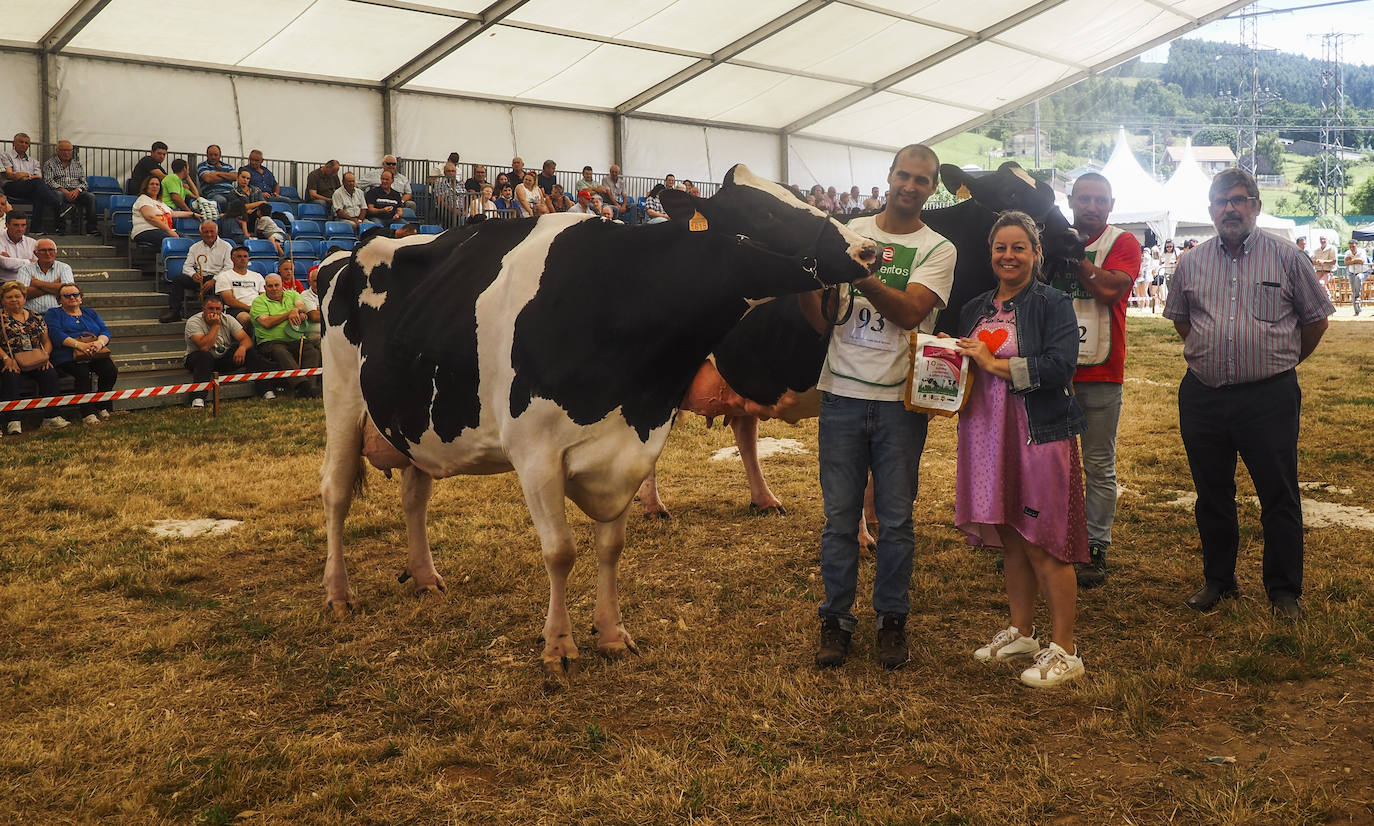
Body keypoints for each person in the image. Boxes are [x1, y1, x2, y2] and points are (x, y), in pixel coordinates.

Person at [798, 144, 956, 670]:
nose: (910, 186)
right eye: (903, 175)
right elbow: (824, 322)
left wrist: (857, 271)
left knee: (896, 520)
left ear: (933, 187)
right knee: (839, 519)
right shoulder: (849, 231)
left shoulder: (939, 249)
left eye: (921, 179)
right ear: (888, 176)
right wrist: (806, 279)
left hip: (899, 405)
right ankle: (836, 621)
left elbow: (911, 312)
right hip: (841, 394)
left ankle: (892, 620)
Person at [1164, 167, 1334, 622]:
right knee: (1211, 494)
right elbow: (1183, 320)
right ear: (1211, 209)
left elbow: (1316, 319)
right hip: (1203, 395)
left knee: (1278, 494)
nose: (1231, 208)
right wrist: (1214, 352)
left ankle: (1283, 592)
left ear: (1256, 206)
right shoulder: (1191, 262)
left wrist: (1280, 362)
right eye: (1222, 200)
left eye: (1240, 199)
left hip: (1269, 397)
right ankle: (1219, 582)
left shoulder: (1286, 258)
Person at [955, 211, 1088, 688]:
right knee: (1011, 533)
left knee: (1046, 539)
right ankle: (1022, 632)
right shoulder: (974, 308)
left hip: (1038, 433)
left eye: (1018, 248)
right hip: (986, 435)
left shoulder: (1053, 303)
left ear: (1036, 253)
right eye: (1000, 248)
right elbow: (958, 363)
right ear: (990, 254)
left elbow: (1060, 367)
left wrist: (994, 364)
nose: (1008, 256)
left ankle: (1066, 650)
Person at [1044, 172, 1141, 589]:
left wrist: (1077, 261)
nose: (1091, 206)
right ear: (1070, 201)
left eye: (1099, 199)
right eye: (1083, 198)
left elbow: (1110, 290)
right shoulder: (1049, 236)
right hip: (1052, 371)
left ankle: (1095, 547)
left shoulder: (1122, 242)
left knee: (1099, 465)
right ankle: (1045, 543)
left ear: (1111, 204)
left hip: (1101, 370)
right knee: (1048, 465)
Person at [182, 295, 276, 407]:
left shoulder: (228, 319)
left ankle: (266, 390)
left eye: (218, 309)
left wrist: (242, 348)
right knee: (204, 356)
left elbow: (246, 340)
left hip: (221, 357)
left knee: (248, 350)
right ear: (203, 309)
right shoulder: (194, 322)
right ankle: (198, 399)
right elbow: (204, 346)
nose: (215, 312)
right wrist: (215, 326)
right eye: (211, 309)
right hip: (198, 359)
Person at [0, 280, 69, 432]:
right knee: (11, 375)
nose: (14, 300)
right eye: (9, 297)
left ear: (24, 298)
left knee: (50, 374)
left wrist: (45, 357)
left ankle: (51, 417)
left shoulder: (35, 316)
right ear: (3, 299)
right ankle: (13, 420)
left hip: (35, 357)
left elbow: (46, 340)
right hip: (8, 358)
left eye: (17, 296)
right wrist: (7, 359)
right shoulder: (1, 317)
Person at [45, 284, 117, 424]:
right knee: (82, 373)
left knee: (110, 370)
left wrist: (99, 343)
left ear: (81, 298)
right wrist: (79, 345)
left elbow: (105, 331)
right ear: (59, 300)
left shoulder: (90, 313)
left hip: (94, 352)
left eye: (75, 294)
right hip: (67, 354)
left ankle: (101, 405)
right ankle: (87, 412)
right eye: (67, 295)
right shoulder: (53, 313)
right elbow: (56, 334)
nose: (72, 297)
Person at [250, 273, 321, 398]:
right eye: (270, 286)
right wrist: (290, 313)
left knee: (311, 351)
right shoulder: (258, 302)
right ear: (265, 288)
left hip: (295, 337)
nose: (274, 288)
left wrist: (298, 311)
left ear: (282, 285)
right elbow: (267, 322)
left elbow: (301, 306)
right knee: (280, 351)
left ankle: (309, 387)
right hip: (270, 341)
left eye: (277, 285)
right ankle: (302, 385)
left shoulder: (292, 294)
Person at [163, 221, 232, 323]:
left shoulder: (226, 246)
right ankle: (175, 312)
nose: (209, 234)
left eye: (212, 231)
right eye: (206, 232)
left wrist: (214, 280)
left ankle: (215, 315)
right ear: (201, 233)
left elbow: (229, 267)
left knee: (218, 285)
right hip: (200, 277)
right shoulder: (195, 247)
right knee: (178, 279)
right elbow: (187, 266)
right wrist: (193, 274)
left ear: (217, 232)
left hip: (217, 278)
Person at [1, 133, 62, 237]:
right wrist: (28, 176)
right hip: (11, 187)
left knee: (39, 194)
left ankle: (36, 229)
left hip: (29, 187)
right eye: (21, 142)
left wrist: (23, 175)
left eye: (26, 143)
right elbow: (10, 175)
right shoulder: (5, 155)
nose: (24, 145)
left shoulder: (34, 162)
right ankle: (58, 204)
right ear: (13, 143)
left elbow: (38, 177)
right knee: (38, 185)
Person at [43, 140, 99, 236]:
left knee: (91, 197)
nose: (66, 153)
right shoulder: (49, 164)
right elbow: (48, 181)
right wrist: (64, 191)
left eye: (69, 150)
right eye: (63, 150)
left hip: (76, 191)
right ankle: (60, 227)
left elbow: (84, 182)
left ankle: (91, 229)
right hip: (58, 190)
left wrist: (77, 190)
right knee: (58, 196)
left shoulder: (77, 164)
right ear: (57, 151)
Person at [225, 170, 283, 255]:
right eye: (243, 177)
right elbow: (238, 208)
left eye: (248, 178)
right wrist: (257, 204)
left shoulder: (256, 190)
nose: (245, 180)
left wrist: (249, 208)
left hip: (255, 215)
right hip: (244, 217)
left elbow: (264, 205)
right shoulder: (233, 193)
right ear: (237, 178)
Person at [16, 238, 74, 315]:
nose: (47, 253)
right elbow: (22, 294)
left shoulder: (64, 268)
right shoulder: (25, 269)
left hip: (59, 314)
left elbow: (69, 291)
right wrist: (55, 286)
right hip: (31, 315)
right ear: (35, 253)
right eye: (43, 250)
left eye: (51, 250)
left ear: (55, 252)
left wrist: (38, 283)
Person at [131, 176, 191, 249]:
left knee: (187, 240)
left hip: (161, 230)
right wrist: (169, 230)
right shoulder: (143, 198)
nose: (155, 186)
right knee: (173, 241)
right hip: (145, 230)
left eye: (157, 184)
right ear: (146, 187)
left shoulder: (160, 203)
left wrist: (192, 214)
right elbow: (150, 217)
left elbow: (173, 213)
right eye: (152, 184)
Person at [214, 245, 265, 331]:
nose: (243, 259)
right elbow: (229, 300)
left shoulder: (257, 276)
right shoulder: (224, 276)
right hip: (235, 309)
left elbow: (264, 296)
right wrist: (250, 308)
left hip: (257, 308)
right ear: (232, 259)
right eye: (239, 256)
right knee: (246, 319)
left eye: (245, 256)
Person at [196, 145, 238, 211]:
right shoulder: (202, 165)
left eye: (215, 155)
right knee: (221, 201)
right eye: (211, 155)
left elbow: (235, 176)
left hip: (231, 193)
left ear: (220, 155)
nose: (213, 157)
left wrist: (217, 173)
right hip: (214, 193)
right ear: (207, 155)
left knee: (240, 201)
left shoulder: (227, 166)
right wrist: (227, 177)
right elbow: (208, 179)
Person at [1151, 239, 1177, 313]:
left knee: (1175, 289)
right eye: (1167, 247)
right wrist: (1161, 260)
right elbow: (1160, 262)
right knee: (1169, 289)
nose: (1169, 248)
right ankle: (1169, 305)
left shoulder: (1176, 252)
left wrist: (1175, 262)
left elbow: (1179, 259)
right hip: (1167, 273)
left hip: (1175, 273)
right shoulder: (1164, 254)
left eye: (1170, 246)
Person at [1344, 239, 1365, 316]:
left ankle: (1358, 297)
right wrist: (1355, 260)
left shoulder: (1362, 251)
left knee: (1358, 278)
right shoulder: (1347, 252)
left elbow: (1362, 261)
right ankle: (1357, 311)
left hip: (1362, 272)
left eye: (1353, 246)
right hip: (1351, 272)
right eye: (1350, 247)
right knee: (1353, 291)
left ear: (1357, 246)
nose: (1352, 248)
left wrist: (1351, 260)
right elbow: (1346, 263)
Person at [1311, 235, 1336, 299]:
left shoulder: (1332, 248)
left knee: (1321, 283)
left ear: (1327, 240)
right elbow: (1312, 260)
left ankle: (1328, 297)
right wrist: (1316, 262)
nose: (1322, 241)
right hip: (1318, 271)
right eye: (1321, 239)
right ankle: (1323, 299)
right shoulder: (1316, 250)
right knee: (1313, 284)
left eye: (1324, 239)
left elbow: (1334, 261)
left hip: (1328, 271)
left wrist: (1323, 262)